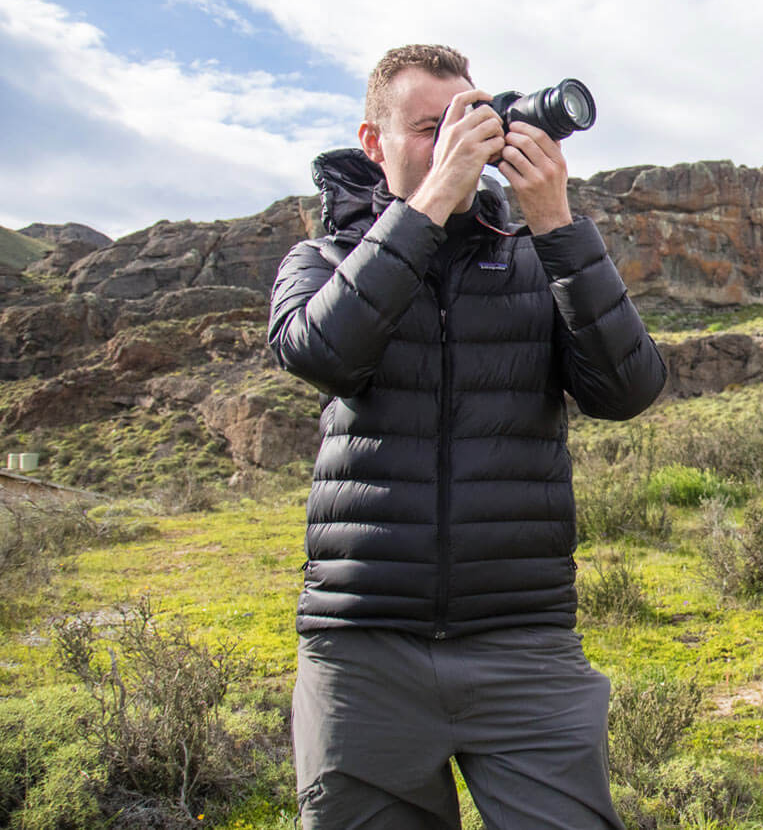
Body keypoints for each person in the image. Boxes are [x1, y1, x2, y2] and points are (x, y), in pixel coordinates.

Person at [268, 44, 665, 829]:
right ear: (372, 141)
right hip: (364, 651)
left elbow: (627, 391)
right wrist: (432, 200)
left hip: (523, 644)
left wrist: (554, 222)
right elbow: (326, 353)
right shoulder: (321, 258)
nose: (458, 140)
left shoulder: (532, 262)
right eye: (428, 127)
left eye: (468, 120)